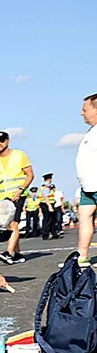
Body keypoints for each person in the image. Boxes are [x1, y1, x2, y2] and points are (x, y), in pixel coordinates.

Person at [0, 130, 30, 264]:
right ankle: (17, 254)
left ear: (8, 141)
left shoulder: (19, 155)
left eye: (2, 141)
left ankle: (9, 252)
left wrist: (21, 189)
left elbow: (30, 175)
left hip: (16, 195)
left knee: (13, 223)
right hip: (0, 197)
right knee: (9, 225)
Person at [75, 93, 97, 265]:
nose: (82, 114)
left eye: (85, 110)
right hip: (87, 187)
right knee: (84, 218)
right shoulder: (91, 132)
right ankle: (81, 257)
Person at [39, 172, 60, 240]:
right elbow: (46, 197)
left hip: (49, 204)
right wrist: (50, 206)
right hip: (46, 205)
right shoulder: (46, 187)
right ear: (49, 179)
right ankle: (45, 234)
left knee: (53, 219)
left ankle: (54, 233)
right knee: (47, 220)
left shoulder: (48, 187)